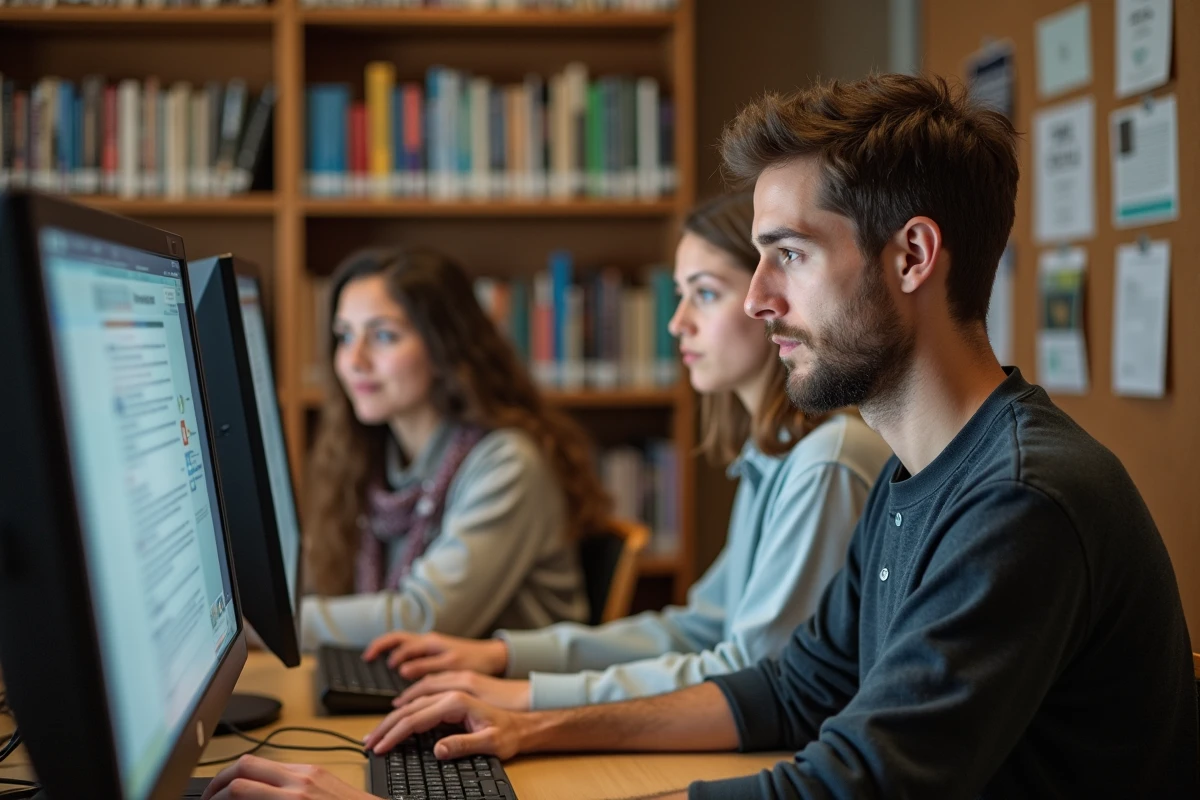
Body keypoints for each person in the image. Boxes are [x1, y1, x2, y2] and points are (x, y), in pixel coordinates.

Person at [201, 73, 1198, 800]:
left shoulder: (1019, 499)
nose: (759, 301)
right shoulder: (916, 475)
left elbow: (851, 787)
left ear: (913, 256)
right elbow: (792, 685)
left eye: (789, 257)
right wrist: (531, 723)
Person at [357, 193, 892, 713]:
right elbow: (700, 628)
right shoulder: (774, 455)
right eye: (679, 295)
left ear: (770, 296)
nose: (676, 322)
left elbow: (755, 672)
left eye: (704, 294)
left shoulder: (826, 462)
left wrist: (533, 697)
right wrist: (507, 655)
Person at [298, 247, 608, 651]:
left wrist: (273, 625)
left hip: (508, 702)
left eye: (384, 336)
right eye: (345, 336)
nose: (354, 360)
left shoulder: (508, 463)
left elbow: (425, 618)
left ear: (444, 348)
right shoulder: (376, 457)